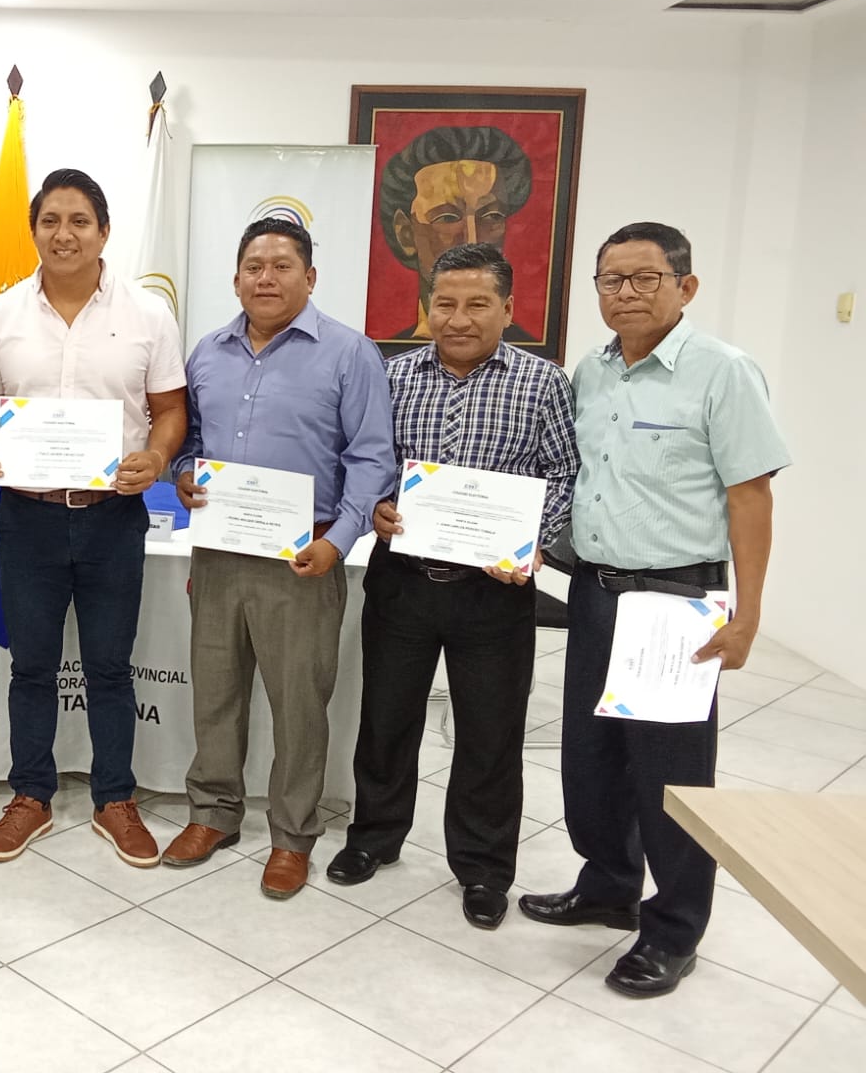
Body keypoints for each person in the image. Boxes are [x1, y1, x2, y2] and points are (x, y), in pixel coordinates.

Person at [519, 222, 788, 997]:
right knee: (591, 755)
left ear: (685, 287)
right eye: (612, 279)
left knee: (670, 773)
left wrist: (747, 614)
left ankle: (673, 929)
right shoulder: (591, 371)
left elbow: (751, 496)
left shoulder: (723, 372)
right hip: (594, 590)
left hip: (675, 599)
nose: (627, 292)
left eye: (646, 278)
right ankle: (607, 885)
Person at [326, 242, 579, 928]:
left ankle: (483, 868)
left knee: (489, 733)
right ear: (427, 308)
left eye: (477, 304)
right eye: (445, 304)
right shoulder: (393, 377)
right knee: (386, 718)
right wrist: (377, 506)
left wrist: (530, 540)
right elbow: (368, 461)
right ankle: (374, 837)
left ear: (508, 308)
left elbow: (565, 473)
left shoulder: (544, 384)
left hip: (493, 592)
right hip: (403, 581)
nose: (459, 319)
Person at [0, 167, 187, 867]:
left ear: (104, 232)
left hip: (112, 516)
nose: (64, 234)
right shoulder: (0, 316)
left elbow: (170, 410)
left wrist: (157, 455)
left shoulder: (149, 314)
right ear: (34, 231)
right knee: (30, 666)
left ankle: (114, 799)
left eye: (79, 221)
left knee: (110, 668)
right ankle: (30, 795)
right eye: (51, 221)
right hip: (26, 516)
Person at [163, 217, 392, 899]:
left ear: (310, 277)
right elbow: (189, 441)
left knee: (299, 705)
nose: (266, 278)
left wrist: (338, 541)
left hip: (304, 556)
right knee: (216, 691)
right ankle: (213, 813)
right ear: (236, 279)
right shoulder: (207, 352)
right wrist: (182, 473)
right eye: (254, 267)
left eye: (282, 266)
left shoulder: (350, 353)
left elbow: (371, 459)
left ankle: (293, 835)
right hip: (221, 550)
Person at [377, 126, 536, 343]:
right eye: (447, 218)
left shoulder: (533, 364)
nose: (472, 239)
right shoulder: (388, 363)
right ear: (405, 233)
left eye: (491, 216)